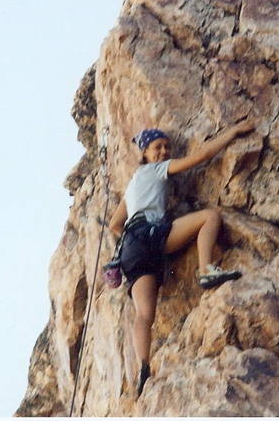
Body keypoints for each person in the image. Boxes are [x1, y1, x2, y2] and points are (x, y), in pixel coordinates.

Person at [109, 118, 256, 397]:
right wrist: (232, 131)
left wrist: (132, 243)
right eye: (157, 147)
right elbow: (200, 157)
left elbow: (115, 224)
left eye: (166, 147)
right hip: (152, 236)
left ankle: (143, 366)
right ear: (144, 154)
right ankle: (206, 269)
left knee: (143, 314)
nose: (163, 152)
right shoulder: (155, 169)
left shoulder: (132, 185)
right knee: (209, 217)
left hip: (131, 247)